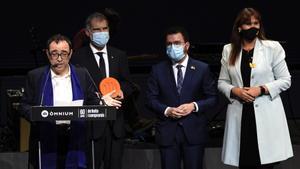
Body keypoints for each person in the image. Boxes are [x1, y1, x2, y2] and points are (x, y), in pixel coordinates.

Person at [19, 34, 121, 169]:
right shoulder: (36, 76)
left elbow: (92, 100)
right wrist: (37, 114)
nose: (60, 59)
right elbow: (24, 105)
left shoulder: (81, 73)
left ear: (71, 53)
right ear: (48, 54)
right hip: (46, 136)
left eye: (64, 54)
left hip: (76, 136)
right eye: (54, 54)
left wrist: (102, 101)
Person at [218, 7, 293, 169]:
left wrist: (261, 89)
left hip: (266, 114)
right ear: (239, 27)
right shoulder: (228, 50)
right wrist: (234, 91)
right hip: (241, 115)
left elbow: (286, 80)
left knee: (265, 162)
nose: (252, 27)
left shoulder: (273, 48)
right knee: (245, 160)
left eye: (256, 23)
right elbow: (222, 82)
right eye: (247, 24)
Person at [146, 26, 218, 169]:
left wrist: (194, 106)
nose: (173, 47)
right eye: (169, 44)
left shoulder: (202, 68)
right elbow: (149, 100)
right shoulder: (157, 70)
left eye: (177, 43)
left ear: (187, 45)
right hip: (167, 134)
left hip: (194, 134)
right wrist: (167, 110)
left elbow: (212, 98)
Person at [71, 12, 134, 169]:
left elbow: (128, 83)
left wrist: (122, 91)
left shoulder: (119, 55)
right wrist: (98, 98)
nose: (102, 33)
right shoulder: (78, 58)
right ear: (88, 32)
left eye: (105, 29)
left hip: (116, 124)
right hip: (92, 126)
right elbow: (77, 89)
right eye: (97, 30)